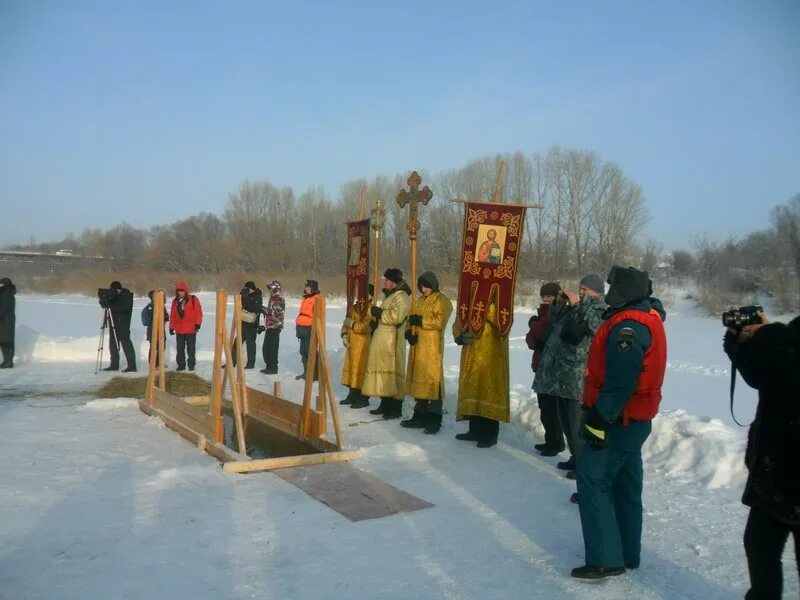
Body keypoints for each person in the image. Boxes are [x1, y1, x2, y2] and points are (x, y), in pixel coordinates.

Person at [572, 266, 667, 580]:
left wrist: (600, 416)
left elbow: (623, 376)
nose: (609, 293)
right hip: (634, 418)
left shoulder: (629, 324)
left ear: (624, 292)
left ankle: (605, 558)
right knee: (626, 484)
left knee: (594, 480)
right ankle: (627, 552)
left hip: (618, 418)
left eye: (614, 288)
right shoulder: (647, 316)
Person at [723, 311, 800, 599]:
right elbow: (761, 377)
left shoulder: (787, 340)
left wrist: (767, 335)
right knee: (758, 546)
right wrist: (740, 344)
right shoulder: (790, 336)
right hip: (775, 473)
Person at [534, 275, 606, 479]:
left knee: (576, 423)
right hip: (561, 373)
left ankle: (583, 464)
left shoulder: (601, 309)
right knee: (565, 420)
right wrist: (558, 304)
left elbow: (596, 328)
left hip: (577, 375)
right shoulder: (578, 306)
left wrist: (576, 305)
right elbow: (557, 321)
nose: (581, 292)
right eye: (580, 288)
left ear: (596, 291)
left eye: (585, 289)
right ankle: (575, 457)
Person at [452, 293, 508, 448]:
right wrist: (459, 335)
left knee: (488, 390)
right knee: (472, 388)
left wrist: (484, 309)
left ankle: (490, 434)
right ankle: (474, 429)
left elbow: (505, 324)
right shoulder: (470, 294)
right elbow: (459, 318)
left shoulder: (501, 298)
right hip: (471, 351)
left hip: (491, 352)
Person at [401, 271, 453, 434]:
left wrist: (421, 321)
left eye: (427, 286)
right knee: (419, 382)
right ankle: (419, 415)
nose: (424, 290)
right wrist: (409, 331)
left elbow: (439, 321)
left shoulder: (442, 300)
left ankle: (434, 419)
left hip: (432, 348)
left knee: (433, 382)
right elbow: (410, 319)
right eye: (421, 286)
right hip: (418, 347)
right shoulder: (418, 301)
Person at [361, 268, 411, 419]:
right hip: (383, 339)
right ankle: (385, 403)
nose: (384, 282)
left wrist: (381, 314)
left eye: (386, 280)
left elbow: (397, 316)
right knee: (384, 372)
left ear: (393, 281)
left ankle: (395, 408)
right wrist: (376, 320)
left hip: (392, 340)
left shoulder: (401, 297)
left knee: (393, 372)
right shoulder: (390, 295)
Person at [526, 282, 564, 455]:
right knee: (544, 407)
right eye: (544, 297)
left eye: (549, 296)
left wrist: (533, 325)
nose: (547, 299)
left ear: (557, 296)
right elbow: (531, 342)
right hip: (540, 364)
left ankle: (556, 443)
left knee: (551, 409)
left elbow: (542, 332)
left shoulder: (559, 312)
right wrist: (535, 327)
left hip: (553, 368)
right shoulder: (542, 313)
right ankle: (551, 440)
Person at [340, 284, 374, 409]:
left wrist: (352, 324)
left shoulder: (371, 309)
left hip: (364, 345)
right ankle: (352, 394)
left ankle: (363, 397)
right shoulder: (354, 308)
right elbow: (346, 321)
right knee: (352, 369)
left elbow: (366, 326)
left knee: (361, 369)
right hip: (351, 344)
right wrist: (344, 334)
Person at [101, 281, 137, 372]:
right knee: (112, 344)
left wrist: (113, 300)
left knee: (126, 343)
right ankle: (114, 365)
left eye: (116, 290)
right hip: (113, 323)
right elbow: (104, 305)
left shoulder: (127, 295)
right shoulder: (112, 296)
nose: (114, 292)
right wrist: (104, 298)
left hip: (123, 324)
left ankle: (132, 366)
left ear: (120, 289)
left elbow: (124, 308)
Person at [169, 282, 203, 372]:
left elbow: (198, 312)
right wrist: (171, 327)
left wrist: (197, 324)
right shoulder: (175, 301)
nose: (180, 293)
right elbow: (172, 315)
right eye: (179, 291)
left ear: (186, 291)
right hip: (179, 329)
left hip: (191, 329)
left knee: (191, 349)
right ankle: (181, 365)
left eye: (182, 291)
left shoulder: (193, 299)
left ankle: (191, 365)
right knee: (180, 349)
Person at [234, 281, 262, 369]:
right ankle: (232, 361)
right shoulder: (246, 295)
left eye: (247, 289)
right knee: (236, 343)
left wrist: (246, 298)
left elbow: (253, 309)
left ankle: (250, 364)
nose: (246, 290)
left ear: (251, 289)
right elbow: (240, 304)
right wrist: (242, 295)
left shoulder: (257, 296)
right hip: (243, 324)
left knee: (250, 345)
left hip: (252, 325)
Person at [295, 279, 320, 380]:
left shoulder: (317, 299)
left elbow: (318, 315)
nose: (306, 289)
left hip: (310, 328)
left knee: (311, 351)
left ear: (313, 288)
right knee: (303, 351)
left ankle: (314, 374)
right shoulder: (305, 298)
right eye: (306, 287)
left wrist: (315, 328)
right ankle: (306, 372)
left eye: (308, 287)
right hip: (302, 328)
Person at [260, 280, 285, 375]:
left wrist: (262, 309)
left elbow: (273, 312)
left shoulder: (278, 298)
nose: (269, 290)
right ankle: (269, 366)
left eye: (271, 288)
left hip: (275, 326)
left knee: (272, 348)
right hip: (270, 326)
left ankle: (273, 367)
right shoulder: (273, 297)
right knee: (266, 348)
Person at [141, 290, 169, 368]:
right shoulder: (151, 306)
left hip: (161, 329)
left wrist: (165, 318)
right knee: (154, 347)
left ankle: (159, 364)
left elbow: (166, 316)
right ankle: (153, 365)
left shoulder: (161, 305)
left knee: (161, 347)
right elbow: (152, 319)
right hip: (152, 330)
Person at [0, 277, 16, 368]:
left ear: (5, 285)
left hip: (6, 320)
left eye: (1, 283)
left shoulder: (5, 292)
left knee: (6, 341)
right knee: (5, 340)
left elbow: (4, 307)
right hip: (5, 319)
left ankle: (8, 362)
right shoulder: (6, 292)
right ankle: (7, 361)